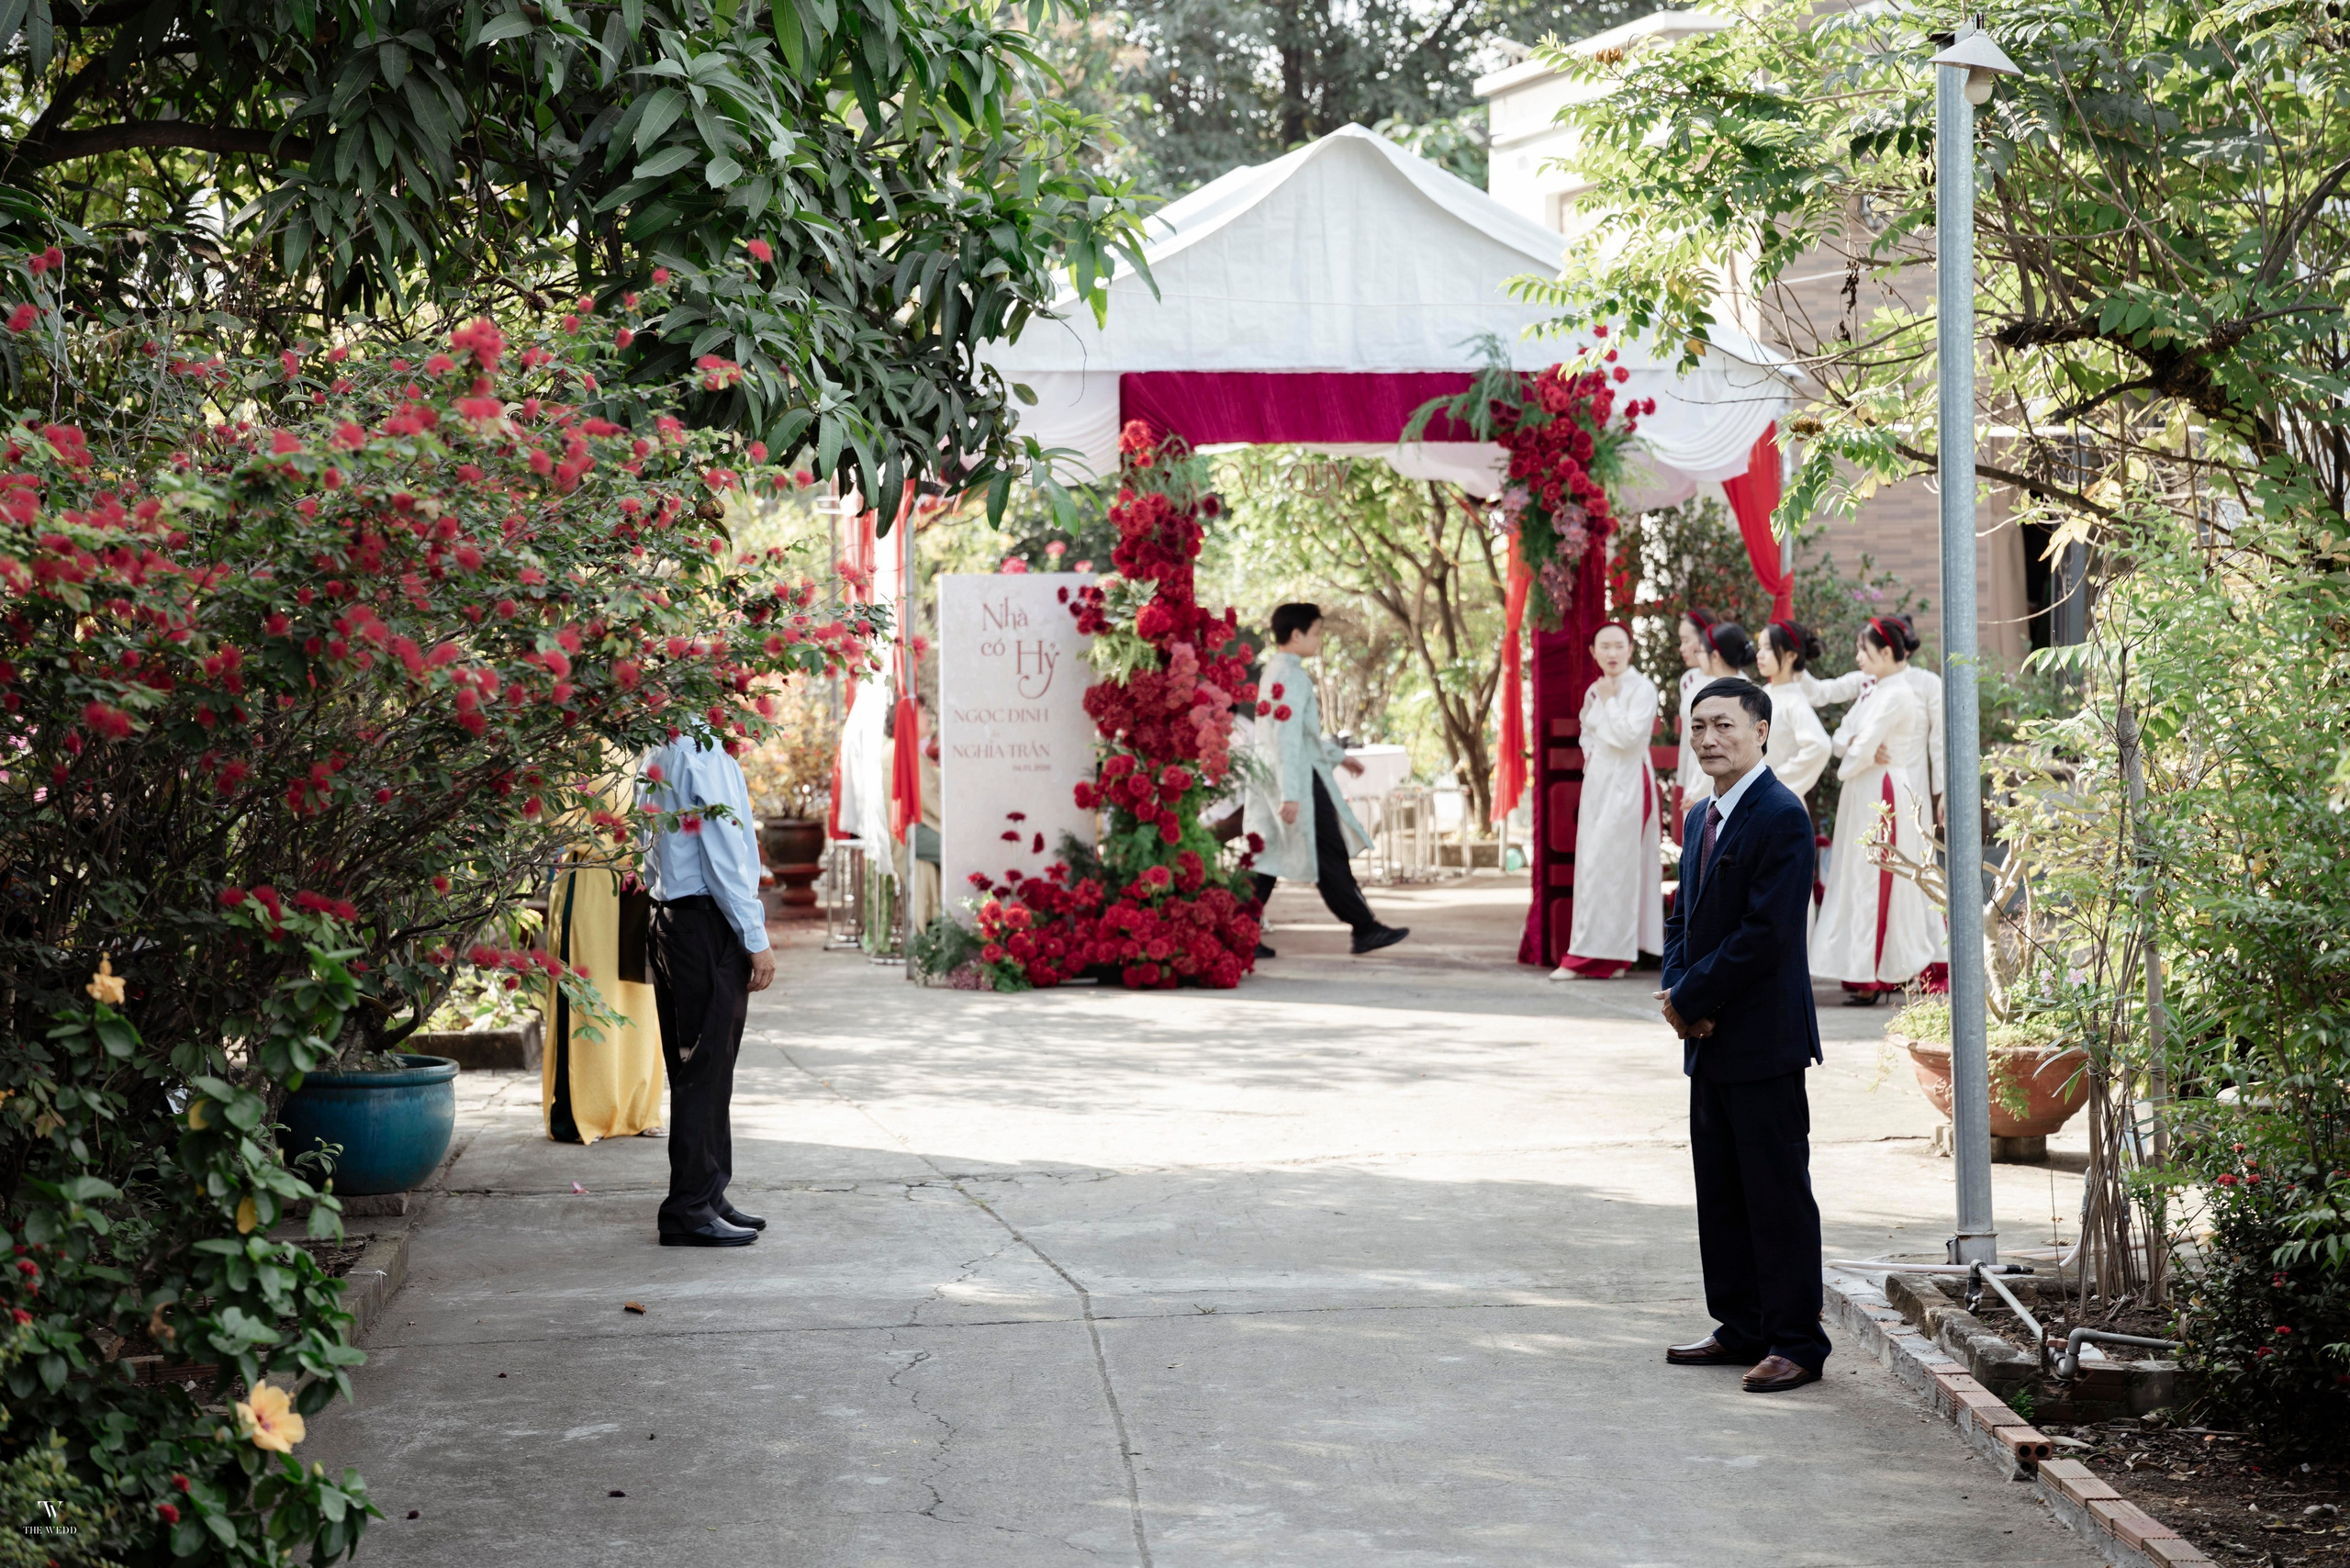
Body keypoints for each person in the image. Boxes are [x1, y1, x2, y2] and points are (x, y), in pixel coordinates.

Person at [1655, 678, 1830, 1393]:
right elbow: (1681, 921)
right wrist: (1675, 993)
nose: (1707, 739)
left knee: (1776, 1194)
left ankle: (1796, 1341)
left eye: (1723, 724)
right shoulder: (1700, 817)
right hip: (1707, 1038)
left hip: (1764, 1039)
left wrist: (1693, 995)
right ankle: (1742, 1325)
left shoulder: (1781, 815)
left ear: (1761, 729)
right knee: (1721, 1190)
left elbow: (1767, 935)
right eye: (1697, 727)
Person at [640, 731, 778, 1247]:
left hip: (672, 918)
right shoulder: (700, 751)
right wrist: (754, 935)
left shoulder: (657, 746)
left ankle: (708, 1193)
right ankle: (690, 1208)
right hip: (702, 922)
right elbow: (724, 852)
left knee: (698, 1067)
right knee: (707, 1067)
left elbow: (650, 849)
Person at [1243, 603, 1409, 957]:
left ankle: (1240, 933)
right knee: (1320, 853)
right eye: (1316, 633)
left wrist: (1339, 757)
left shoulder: (1276, 671)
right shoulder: (1292, 677)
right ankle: (1364, 928)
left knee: (1268, 857)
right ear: (1297, 634)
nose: (1318, 640)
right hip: (1298, 779)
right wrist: (1291, 793)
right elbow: (1289, 736)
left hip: (1282, 775)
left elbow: (1296, 734)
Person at [1810, 619, 1947, 1004]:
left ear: (1887, 652)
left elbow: (1860, 749)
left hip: (1888, 787)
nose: (1858, 658)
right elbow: (1842, 741)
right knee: (1857, 876)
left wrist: (1859, 752)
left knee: (1878, 878)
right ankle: (1862, 970)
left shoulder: (1905, 691)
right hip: (1868, 788)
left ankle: (1879, 974)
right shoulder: (1874, 689)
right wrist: (1857, 749)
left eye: (1864, 652)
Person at [1550, 622, 1662, 980]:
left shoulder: (1642, 688)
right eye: (1605, 647)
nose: (1612, 654)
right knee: (1593, 865)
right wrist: (1595, 756)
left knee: (1614, 868)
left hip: (1629, 783)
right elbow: (1587, 731)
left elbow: (1630, 738)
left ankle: (1593, 956)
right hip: (1600, 782)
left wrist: (1611, 701)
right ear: (1593, 653)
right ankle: (1608, 957)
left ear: (1631, 649)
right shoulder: (1595, 689)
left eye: (1619, 646)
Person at [1801, 613, 1944, 812]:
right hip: (1867, 784)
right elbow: (1821, 693)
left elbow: (1939, 741)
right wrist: (1795, 663)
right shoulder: (1867, 681)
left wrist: (1945, 792)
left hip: (1911, 782)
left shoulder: (1928, 684)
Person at [1675, 619, 1755, 809]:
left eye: (1701, 651)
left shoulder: (1732, 694)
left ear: (1716, 657)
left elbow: (1717, 751)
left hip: (1723, 793)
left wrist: (1697, 794)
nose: (1698, 656)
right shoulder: (1728, 687)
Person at [1752, 621, 1834, 799]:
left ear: (1791, 656)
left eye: (1768, 648)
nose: (1760, 655)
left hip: (1779, 803)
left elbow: (1820, 746)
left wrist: (1777, 779)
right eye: (1760, 647)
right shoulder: (1763, 694)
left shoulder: (1795, 702)